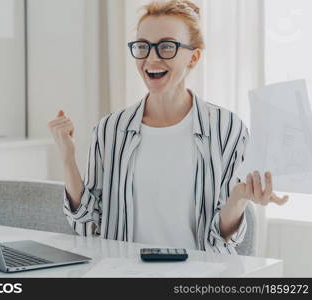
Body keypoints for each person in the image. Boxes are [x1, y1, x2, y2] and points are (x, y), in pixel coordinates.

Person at [48, 0, 288, 254]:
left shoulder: (228, 129)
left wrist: (239, 198)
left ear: (193, 57)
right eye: (143, 47)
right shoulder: (109, 129)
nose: (151, 58)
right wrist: (67, 158)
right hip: (124, 274)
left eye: (166, 47)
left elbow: (221, 239)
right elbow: (87, 226)